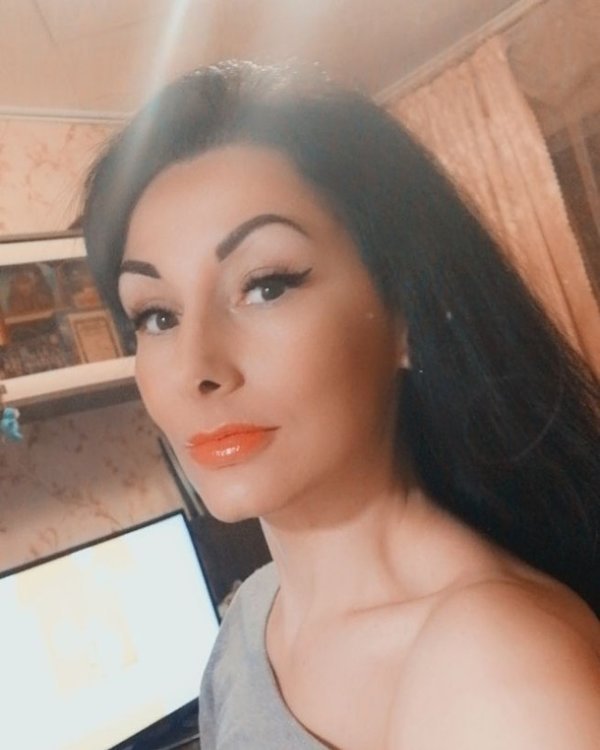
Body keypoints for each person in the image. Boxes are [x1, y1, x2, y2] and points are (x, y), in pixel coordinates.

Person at [82, 61, 600, 749]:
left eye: (266, 286)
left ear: (404, 318)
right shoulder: (249, 617)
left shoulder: (500, 673)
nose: (195, 369)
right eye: (156, 316)